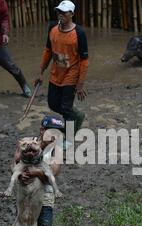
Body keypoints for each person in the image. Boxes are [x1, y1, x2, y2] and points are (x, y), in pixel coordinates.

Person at [13, 115, 64, 226]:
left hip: (45, 201)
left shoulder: (57, 150)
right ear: (42, 131)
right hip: (26, 200)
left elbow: (54, 170)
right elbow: (16, 163)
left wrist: (34, 172)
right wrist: (21, 175)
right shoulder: (26, 143)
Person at [35, 0, 89, 138]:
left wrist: (80, 84)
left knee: (65, 108)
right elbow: (47, 50)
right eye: (59, 11)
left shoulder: (79, 33)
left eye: (64, 12)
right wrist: (40, 72)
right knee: (53, 104)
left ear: (71, 14)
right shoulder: (52, 28)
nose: (60, 14)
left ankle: (69, 139)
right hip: (56, 73)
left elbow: (84, 61)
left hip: (71, 74)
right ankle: (76, 114)